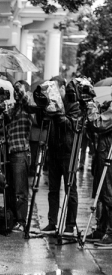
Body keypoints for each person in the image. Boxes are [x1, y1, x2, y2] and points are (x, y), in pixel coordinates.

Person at [41, 76, 82, 235]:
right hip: (53, 151)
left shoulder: (74, 105)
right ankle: (52, 223)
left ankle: (70, 226)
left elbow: (70, 125)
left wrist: (56, 112)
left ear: (64, 88)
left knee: (70, 189)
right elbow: (41, 120)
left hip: (68, 151)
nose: (54, 92)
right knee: (53, 189)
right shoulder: (51, 103)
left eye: (56, 89)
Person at [4, 80, 34, 232]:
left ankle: (21, 221)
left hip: (21, 152)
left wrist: (13, 83)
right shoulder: (14, 109)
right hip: (10, 152)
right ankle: (12, 218)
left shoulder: (29, 107)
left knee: (20, 190)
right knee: (10, 188)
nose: (16, 94)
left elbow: (24, 97)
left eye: (18, 91)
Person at [87, 100, 112, 248]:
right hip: (102, 153)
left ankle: (110, 232)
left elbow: (98, 124)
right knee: (101, 193)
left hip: (109, 155)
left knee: (108, 193)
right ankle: (102, 228)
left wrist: (91, 107)